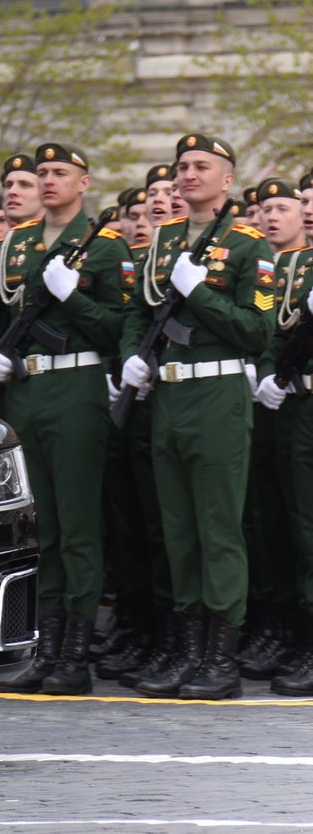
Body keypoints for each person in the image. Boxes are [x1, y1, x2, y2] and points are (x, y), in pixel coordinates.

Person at [0, 144, 130, 695]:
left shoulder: (105, 248)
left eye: (61, 172)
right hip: (26, 388)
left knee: (79, 522)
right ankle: (46, 639)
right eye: (42, 173)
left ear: (84, 183)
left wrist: (75, 301)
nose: (48, 180)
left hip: (76, 385)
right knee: (43, 525)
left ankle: (75, 651)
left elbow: (116, 328)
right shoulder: (14, 244)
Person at [119, 134, 274, 699]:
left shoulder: (247, 244)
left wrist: (199, 294)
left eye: (201, 166)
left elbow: (257, 330)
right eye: (182, 166)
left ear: (227, 179)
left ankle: (220, 658)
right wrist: (131, 358)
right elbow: (138, 314)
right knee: (179, 530)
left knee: (217, 528)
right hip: (168, 396)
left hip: (218, 396)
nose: (188, 174)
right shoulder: (162, 243)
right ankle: (188, 652)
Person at [240, 177, 310, 686]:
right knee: (270, 519)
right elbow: (267, 324)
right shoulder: (267, 269)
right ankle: (281, 626)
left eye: (284, 207)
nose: (272, 216)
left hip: (304, 400)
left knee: (306, 522)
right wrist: (262, 369)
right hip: (272, 398)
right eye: (265, 208)